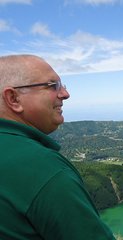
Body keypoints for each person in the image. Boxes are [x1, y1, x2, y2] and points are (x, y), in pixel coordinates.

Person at [0, 54, 116, 239]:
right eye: (53, 85)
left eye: (63, 85)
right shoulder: (42, 168)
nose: (65, 94)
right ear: (13, 98)